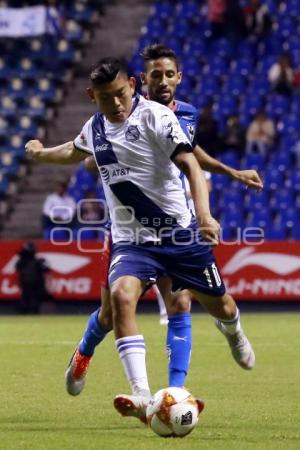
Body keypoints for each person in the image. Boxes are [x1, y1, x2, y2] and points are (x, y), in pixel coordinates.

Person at [26, 56, 258, 423]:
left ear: (133, 85)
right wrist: (40, 154)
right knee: (119, 302)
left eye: (120, 94)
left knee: (222, 307)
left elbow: (192, 165)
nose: (116, 104)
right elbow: (73, 150)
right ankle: (145, 397)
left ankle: (234, 332)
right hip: (131, 241)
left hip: (179, 235)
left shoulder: (157, 117)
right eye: (106, 98)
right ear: (92, 96)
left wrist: (204, 214)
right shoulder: (95, 127)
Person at [15, 242, 50, 314]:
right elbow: (17, 269)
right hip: (27, 284)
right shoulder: (22, 261)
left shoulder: (39, 261)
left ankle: (31, 313)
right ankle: (25, 313)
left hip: (36, 284)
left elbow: (46, 271)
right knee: (26, 300)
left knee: (34, 300)